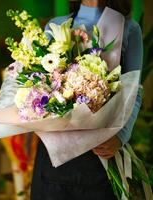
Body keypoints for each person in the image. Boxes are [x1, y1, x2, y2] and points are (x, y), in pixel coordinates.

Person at [30, 0, 143, 199]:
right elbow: (39, 85)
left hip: (100, 152)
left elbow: (134, 92)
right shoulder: (56, 27)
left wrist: (120, 137)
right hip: (54, 158)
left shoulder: (129, 29)